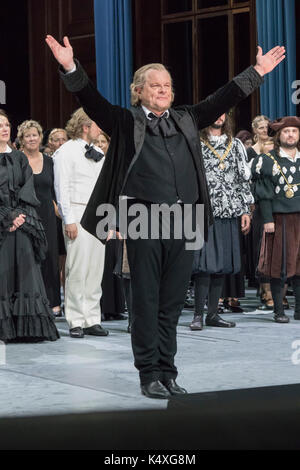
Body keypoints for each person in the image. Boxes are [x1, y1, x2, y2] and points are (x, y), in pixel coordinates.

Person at [46, 34, 285, 398]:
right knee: (146, 299)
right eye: (155, 85)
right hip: (142, 218)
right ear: (138, 91)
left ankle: (168, 370)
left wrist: (257, 71)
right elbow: (91, 101)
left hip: (185, 219)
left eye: (167, 86)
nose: (163, 90)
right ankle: (149, 374)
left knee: (173, 300)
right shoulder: (125, 121)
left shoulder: (188, 118)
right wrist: (70, 67)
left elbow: (226, 96)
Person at [0, 109, 59, 342]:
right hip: (2, 224)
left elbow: (28, 189)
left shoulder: (19, 158)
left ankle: (26, 328)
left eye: (6, 124)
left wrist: (19, 216)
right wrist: (6, 216)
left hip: (22, 222)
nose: (4, 128)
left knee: (26, 272)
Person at [190, 113, 253, 330]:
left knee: (222, 265)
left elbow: (243, 178)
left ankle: (213, 314)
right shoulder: (195, 143)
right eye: (215, 111)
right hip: (202, 211)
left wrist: (245, 209)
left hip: (228, 210)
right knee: (203, 265)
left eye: (223, 113)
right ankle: (198, 314)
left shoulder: (235, 144)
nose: (218, 116)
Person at [53, 108, 108, 338]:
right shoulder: (65, 152)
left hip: (98, 214)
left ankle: (91, 318)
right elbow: (61, 188)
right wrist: (69, 219)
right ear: (85, 127)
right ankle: (75, 319)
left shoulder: (98, 151)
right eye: (96, 124)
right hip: (77, 210)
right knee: (76, 268)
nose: (100, 129)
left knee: (95, 269)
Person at [251, 116, 300, 323]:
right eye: (286, 131)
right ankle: (279, 310)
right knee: (278, 264)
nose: (290, 135)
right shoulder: (268, 160)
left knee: (299, 265)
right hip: (279, 219)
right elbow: (263, 194)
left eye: (294, 131)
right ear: (279, 136)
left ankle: (298, 310)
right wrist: (268, 219)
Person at [17, 120, 62, 316]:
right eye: (28, 136)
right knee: (30, 257)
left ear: (40, 137)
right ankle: (31, 301)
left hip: (47, 214)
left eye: (35, 134)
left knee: (50, 256)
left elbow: (54, 190)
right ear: (22, 139)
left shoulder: (50, 161)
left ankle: (53, 301)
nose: (32, 138)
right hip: (25, 214)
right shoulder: (17, 160)